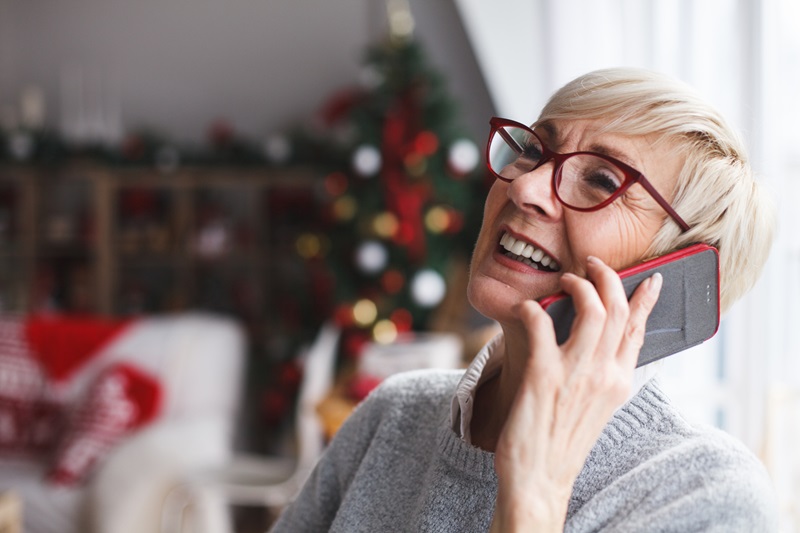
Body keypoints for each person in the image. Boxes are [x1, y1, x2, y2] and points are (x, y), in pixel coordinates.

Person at [271, 68, 778, 532]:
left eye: (601, 180)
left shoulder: (710, 496)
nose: (525, 186)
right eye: (534, 151)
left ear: (674, 274)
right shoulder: (393, 416)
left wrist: (536, 491)